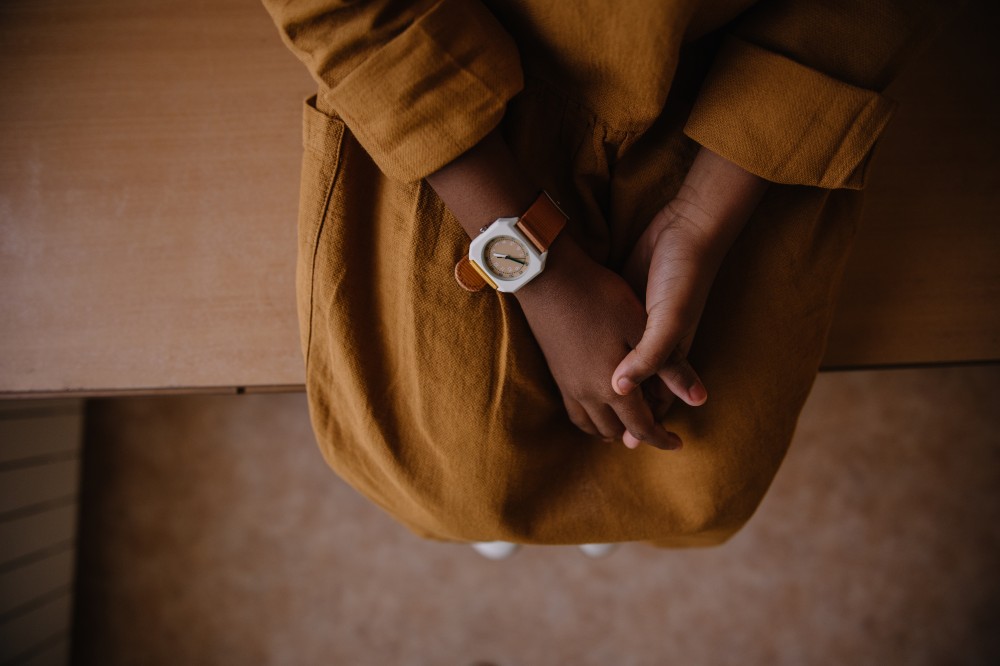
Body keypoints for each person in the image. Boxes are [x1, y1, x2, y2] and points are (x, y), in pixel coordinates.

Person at [261, 0, 945, 551]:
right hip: (461, 94)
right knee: (457, 477)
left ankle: (582, 512)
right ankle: (525, 519)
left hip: (732, 94)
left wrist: (701, 220)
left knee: (705, 473)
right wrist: (545, 275)